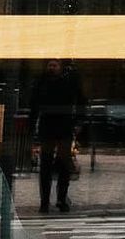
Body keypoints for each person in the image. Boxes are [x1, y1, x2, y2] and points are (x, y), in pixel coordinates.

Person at [28, 58, 85, 214]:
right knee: (49, 163)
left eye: (55, 65)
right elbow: (34, 104)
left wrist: (78, 121)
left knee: (61, 162)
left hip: (61, 124)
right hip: (52, 125)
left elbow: (80, 100)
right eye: (50, 64)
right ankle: (47, 201)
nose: (52, 67)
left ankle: (58, 199)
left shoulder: (65, 80)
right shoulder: (45, 81)